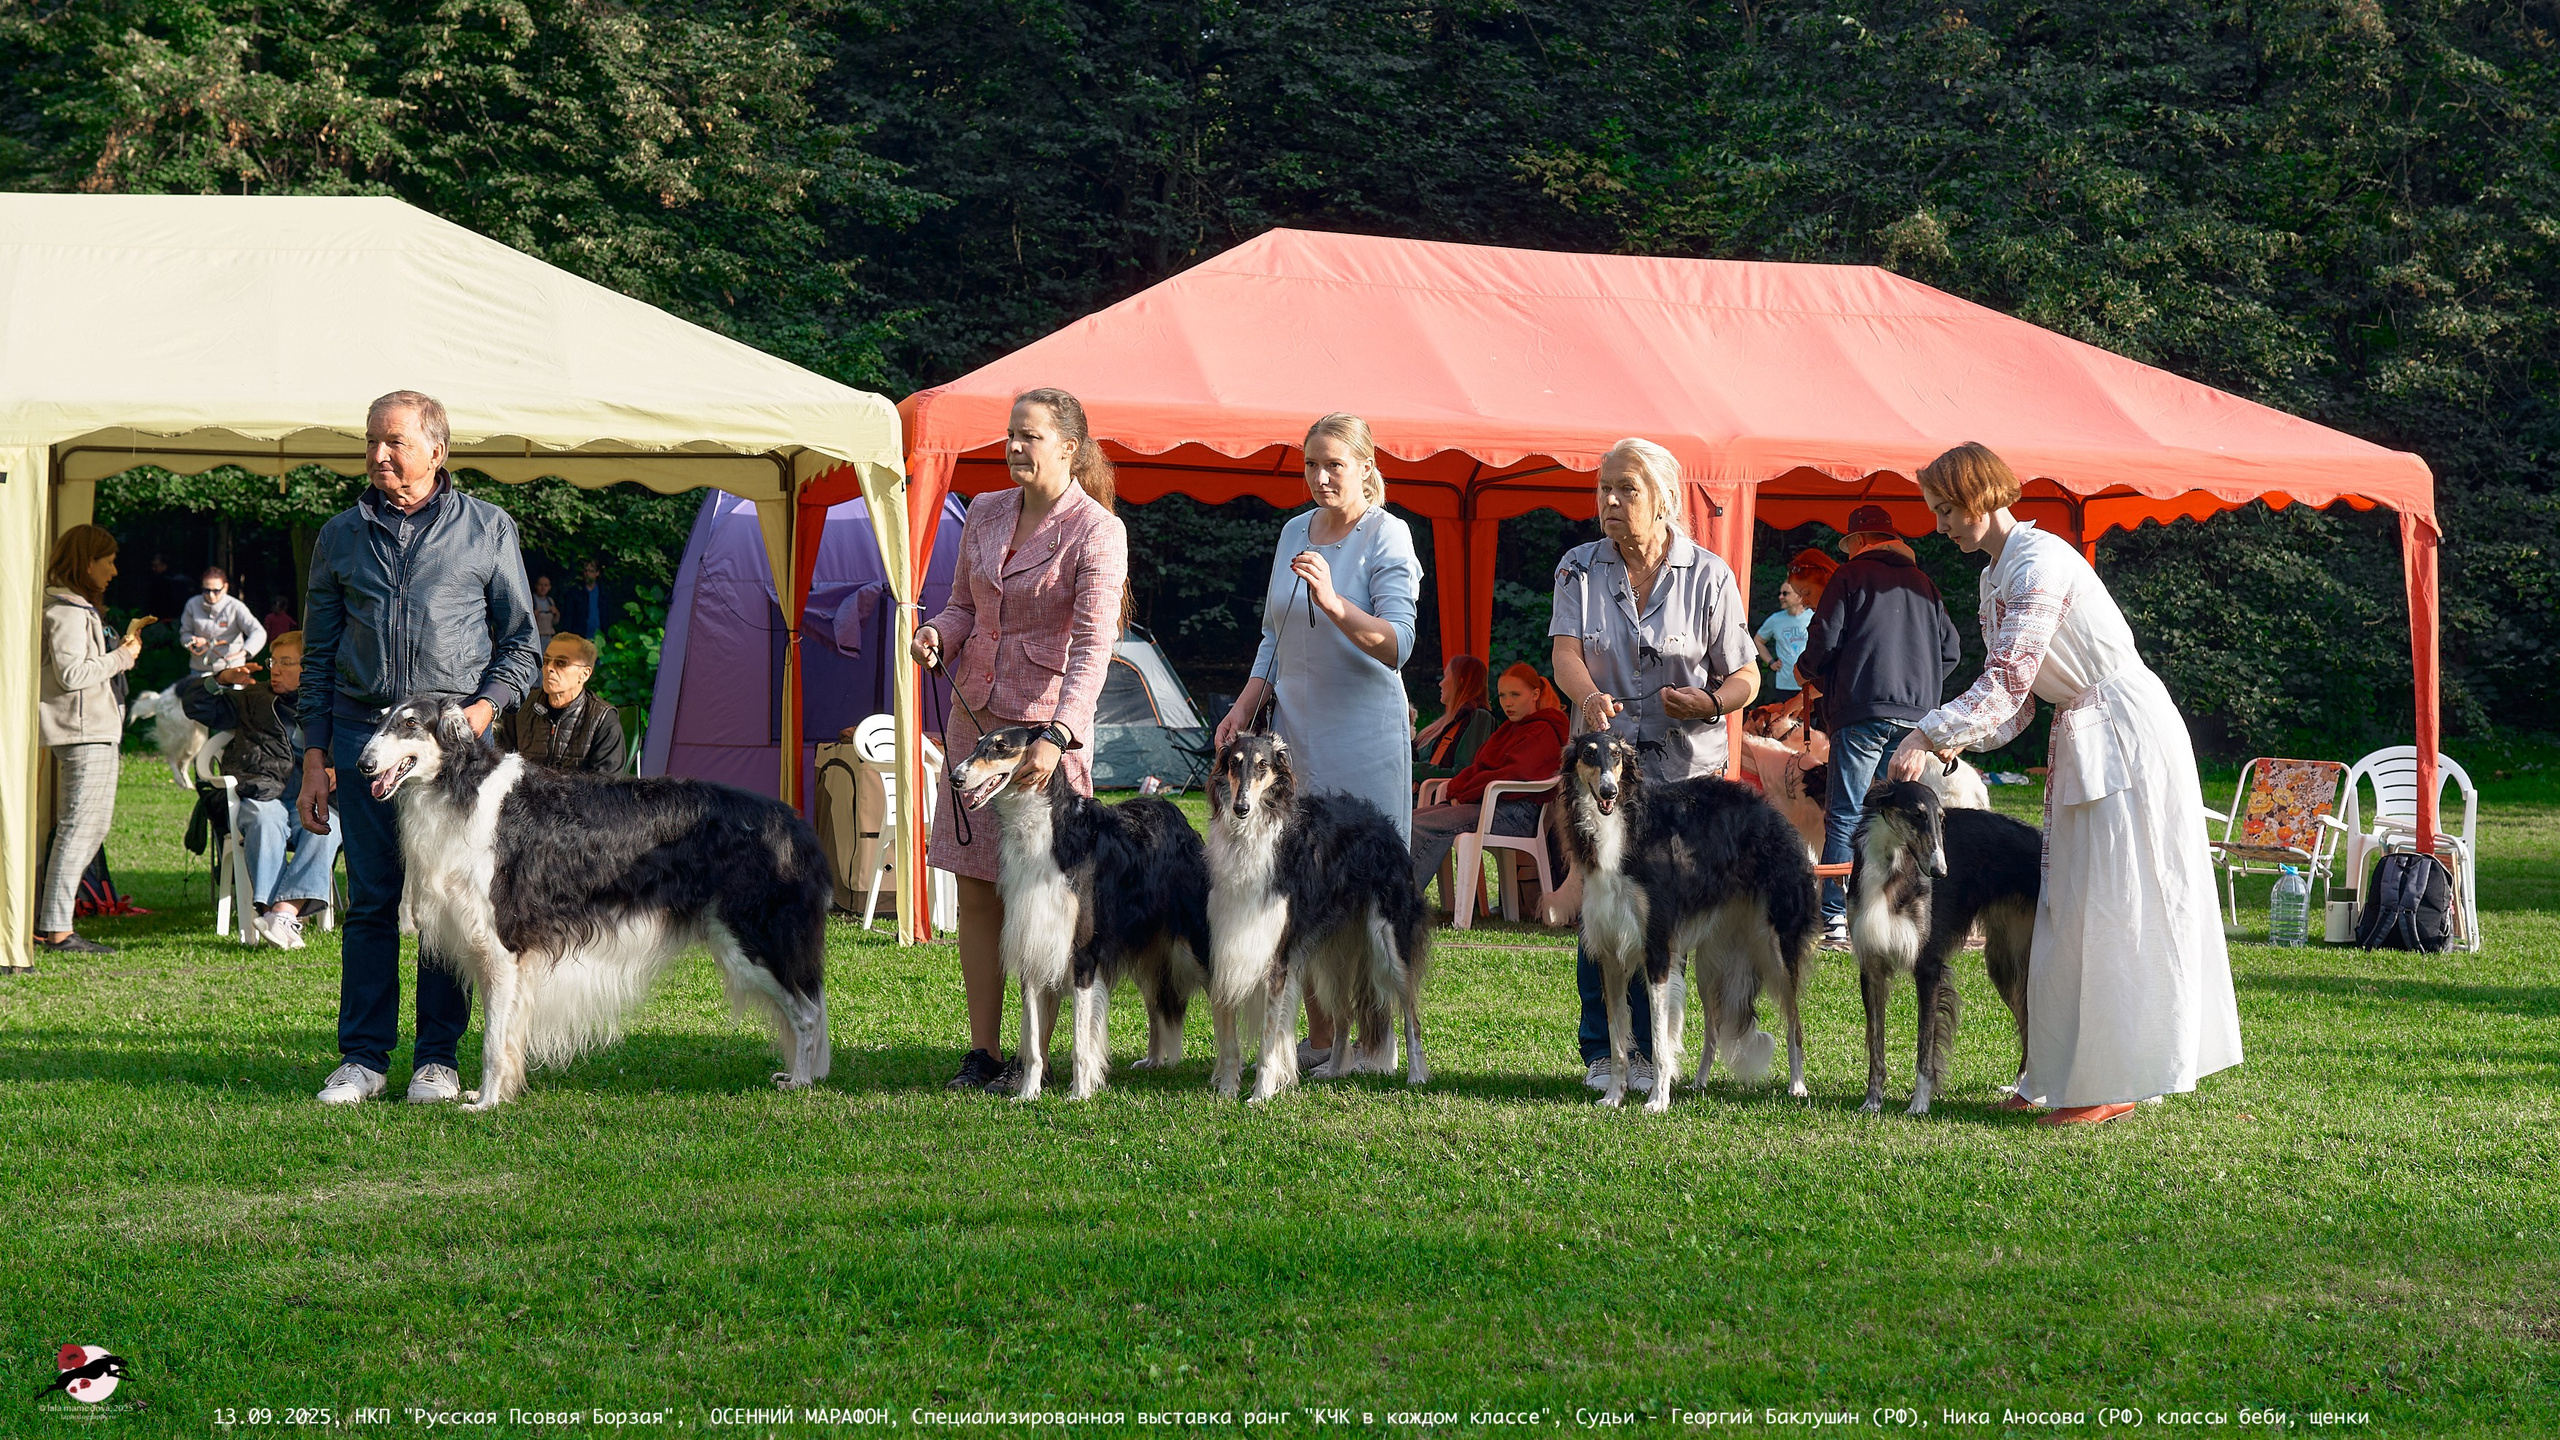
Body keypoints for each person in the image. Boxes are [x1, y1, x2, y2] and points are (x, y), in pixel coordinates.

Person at [1887, 442, 2242, 1126]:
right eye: (1935, 511)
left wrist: (1928, 731)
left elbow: (2009, 680)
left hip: (2126, 735)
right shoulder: (1999, 575)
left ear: (1982, 495)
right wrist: (1955, 737)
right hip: (2089, 730)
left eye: (1947, 509)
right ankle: (2057, 1071)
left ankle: (2114, 1081)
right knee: (2068, 908)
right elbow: (2017, 702)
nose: (1941, 525)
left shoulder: (2039, 563)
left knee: (2114, 901)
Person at [298, 389, 541, 1106]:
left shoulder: (488, 528)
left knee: (449, 905)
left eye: (394, 442)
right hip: (362, 736)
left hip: (456, 753)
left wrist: (481, 709)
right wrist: (316, 760)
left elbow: (523, 644)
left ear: (437, 449)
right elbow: (316, 659)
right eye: (372, 441)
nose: (378, 455)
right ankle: (363, 1060)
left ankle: (437, 1060)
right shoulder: (338, 535)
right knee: (373, 900)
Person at [912, 386, 1129, 1093]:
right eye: (1010, 434)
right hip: (977, 726)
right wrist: (936, 634)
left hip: (1044, 736)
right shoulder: (983, 510)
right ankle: (986, 1053)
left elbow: (1096, 646)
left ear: (1069, 446)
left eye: (1030, 436)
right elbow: (962, 607)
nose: (1014, 447)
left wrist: (1059, 737)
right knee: (978, 892)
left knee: (1047, 899)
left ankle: (1044, 1053)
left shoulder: (1096, 531)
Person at [1215, 412, 1424, 1073]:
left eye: (1334, 463)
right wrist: (1245, 706)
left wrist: (1335, 603)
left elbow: (1398, 644)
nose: (1320, 476)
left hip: (1364, 730)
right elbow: (1274, 635)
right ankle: (1319, 1037)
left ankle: (1376, 1045)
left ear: (1366, 466)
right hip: (1296, 735)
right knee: (1299, 878)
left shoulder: (1387, 535)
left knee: (1361, 886)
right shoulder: (1290, 533)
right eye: (1310, 464)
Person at [1549, 438, 1758, 1092]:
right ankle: (1609, 1053)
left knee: (1665, 912)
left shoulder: (1709, 576)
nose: (1609, 501)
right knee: (1603, 907)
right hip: (1607, 779)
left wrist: (1709, 701)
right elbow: (1565, 654)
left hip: (1685, 780)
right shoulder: (1577, 570)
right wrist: (1586, 696)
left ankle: (1664, 1053)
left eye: (1626, 489)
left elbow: (1747, 675)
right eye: (1604, 488)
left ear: (1663, 499)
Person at [1794, 503, 1962, 949]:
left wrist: (1807, 670)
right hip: (1916, 723)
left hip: (1861, 711)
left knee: (1848, 813)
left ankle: (1833, 919)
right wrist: (1924, 689)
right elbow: (1951, 651)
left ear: (1859, 543)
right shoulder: (1926, 584)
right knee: (1903, 814)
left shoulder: (1849, 578)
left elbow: (1825, 640)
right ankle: (1896, 911)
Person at [34, 526, 147, 963]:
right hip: (83, 732)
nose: (114, 571)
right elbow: (72, 675)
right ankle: (57, 929)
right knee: (79, 828)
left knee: (88, 829)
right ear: (86, 563)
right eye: (109, 561)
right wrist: (123, 657)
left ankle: (56, 922)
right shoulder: (64, 610)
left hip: (93, 730)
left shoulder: (71, 607)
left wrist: (117, 652)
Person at [207, 633, 343, 950]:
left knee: (329, 826)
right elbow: (197, 704)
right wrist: (221, 678)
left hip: (310, 800)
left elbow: (357, 750)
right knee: (264, 820)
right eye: (273, 662)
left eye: (285, 663)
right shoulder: (253, 699)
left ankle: (281, 914)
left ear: (307, 668)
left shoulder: (332, 706)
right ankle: (273, 913)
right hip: (264, 793)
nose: (275, 670)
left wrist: (339, 770)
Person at [1409, 662, 1568, 907]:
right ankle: (1393, 895)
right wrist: (1456, 790)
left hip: (1515, 814)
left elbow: (1514, 774)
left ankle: (1402, 901)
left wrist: (1466, 793)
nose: (1508, 702)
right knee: (1412, 819)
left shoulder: (1543, 729)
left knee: (1423, 826)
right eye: (1503, 695)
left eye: (1516, 695)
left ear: (1535, 694)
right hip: (1492, 806)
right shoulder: (1511, 728)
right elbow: (1478, 767)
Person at [500, 633, 627, 775]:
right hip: (528, 795)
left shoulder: (603, 719)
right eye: (546, 661)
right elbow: (502, 765)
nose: (549, 668)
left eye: (561, 663)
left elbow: (607, 785)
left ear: (584, 674)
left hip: (579, 797)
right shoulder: (521, 707)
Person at [179, 564, 268, 676]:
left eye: (216, 591)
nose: (211, 595)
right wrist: (192, 641)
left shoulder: (236, 607)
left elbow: (259, 632)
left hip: (231, 669)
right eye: (206, 590)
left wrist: (244, 653)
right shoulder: (192, 604)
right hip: (200, 670)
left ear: (225, 587)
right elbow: (184, 634)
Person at [1412, 654, 1490, 780]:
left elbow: (1464, 773)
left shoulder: (1479, 717)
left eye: (1445, 676)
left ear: (1460, 681)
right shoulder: (1448, 721)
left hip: (1436, 797)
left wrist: (1414, 771)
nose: (1440, 683)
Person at [1754, 577, 1815, 694]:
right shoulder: (1775, 619)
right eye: (1780, 593)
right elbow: (1758, 641)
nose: (1780, 597)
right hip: (1785, 684)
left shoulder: (1813, 616)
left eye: (1785, 594)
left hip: (1810, 683)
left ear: (1798, 596)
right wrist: (1770, 662)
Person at [566, 559, 612, 638]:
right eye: (585, 571)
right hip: (580, 638)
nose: (587, 574)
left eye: (591, 571)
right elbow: (569, 616)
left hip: (600, 638)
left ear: (597, 573)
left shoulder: (603, 592)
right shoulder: (576, 592)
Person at [529, 572, 561, 644]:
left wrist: (556, 614)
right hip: (536, 638)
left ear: (549, 587)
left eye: (546, 585)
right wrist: (533, 616)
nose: (543, 588)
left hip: (549, 637)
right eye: (541, 585)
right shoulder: (532, 600)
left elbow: (555, 622)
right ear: (536, 586)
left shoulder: (550, 601)